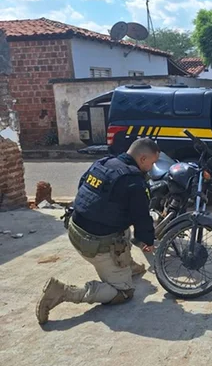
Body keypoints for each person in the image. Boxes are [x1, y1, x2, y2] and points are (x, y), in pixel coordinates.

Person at [36, 138, 160, 325]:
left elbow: (84, 192)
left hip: (74, 228)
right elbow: (142, 219)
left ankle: (126, 265)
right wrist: (148, 241)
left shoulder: (103, 163)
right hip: (95, 244)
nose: (152, 167)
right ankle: (63, 292)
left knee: (119, 213)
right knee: (124, 293)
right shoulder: (133, 180)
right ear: (142, 159)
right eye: (152, 162)